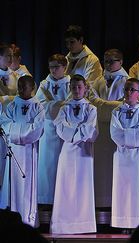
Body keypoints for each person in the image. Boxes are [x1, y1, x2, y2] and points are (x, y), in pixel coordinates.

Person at [50, 74, 98, 234]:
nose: (76, 90)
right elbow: (61, 129)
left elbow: (90, 130)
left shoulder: (92, 108)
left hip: (85, 153)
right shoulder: (64, 108)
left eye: (79, 87)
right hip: (67, 152)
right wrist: (79, 131)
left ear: (85, 88)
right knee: (66, 186)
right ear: (70, 88)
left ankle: (84, 224)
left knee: (83, 188)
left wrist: (73, 130)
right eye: (73, 87)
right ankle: (64, 224)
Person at [0, 76, 44, 227]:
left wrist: (18, 133)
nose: (21, 90)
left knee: (28, 184)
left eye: (24, 87)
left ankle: (28, 220)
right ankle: (13, 220)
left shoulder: (38, 106)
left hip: (29, 151)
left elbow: (37, 128)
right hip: (14, 151)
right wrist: (20, 133)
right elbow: (4, 123)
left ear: (32, 88)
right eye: (19, 86)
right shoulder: (12, 105)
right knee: (13, 185)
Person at [110, 78, 139, 229]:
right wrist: (132, 135)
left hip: (137, 156)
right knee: (121, 188)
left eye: (132, 90)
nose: (128, 92)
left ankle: (136, 223)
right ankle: (121, 222)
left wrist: (126, 135)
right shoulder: (116, 111)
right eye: (126, 89)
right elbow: (115, 133)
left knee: (135, 189)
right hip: (121, 154)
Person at [35, 54, 70, 206]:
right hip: (48, 129)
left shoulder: (71, 83)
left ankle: (64, 200)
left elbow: (72, 102)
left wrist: (59, 106)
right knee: (47, 165)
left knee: (64, 165)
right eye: (51, 67)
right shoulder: (44, 84)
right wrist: (58, 105)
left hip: (65, 129)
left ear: (65, 67)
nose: (53, 70)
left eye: (57, 67)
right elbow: (39, 104)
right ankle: (46, 200)